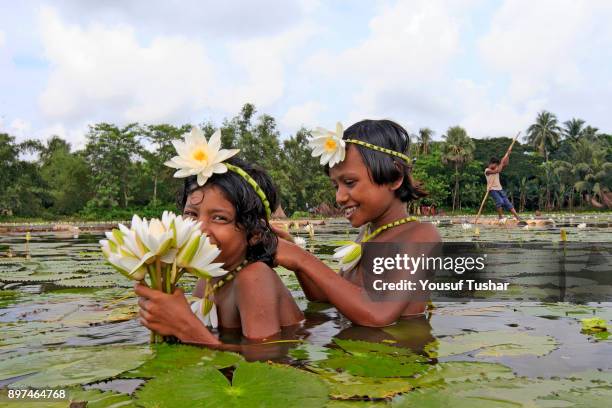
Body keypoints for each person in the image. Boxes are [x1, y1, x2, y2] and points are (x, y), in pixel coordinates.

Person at [135, 130, 303, 348]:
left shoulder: (253, 277)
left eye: (219, 218)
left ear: (254, 235)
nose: (199, 228)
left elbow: (266, 361)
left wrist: (185, 328)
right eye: (191, 214)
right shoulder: (206, 280)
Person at [274, 119, 441, 327]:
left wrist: (302, 260)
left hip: (397, 356)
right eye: (336, 185)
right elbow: (324, 297)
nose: (340, 197)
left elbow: (378, 313)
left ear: (394, 177)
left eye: (349, 183)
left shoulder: (420, 236)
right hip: (356, 353)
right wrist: (294, 253)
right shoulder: (367, 232)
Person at [485, 151, 523, 222]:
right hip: (492, 189)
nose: (496, 166)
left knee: (508, 203)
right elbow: (498, 170)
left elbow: (505, 164)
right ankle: (500, 217)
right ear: (491, 164)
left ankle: (517, 217)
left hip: (499, 189)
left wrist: (507, 155)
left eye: (497, 165)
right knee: (500, 201)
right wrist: (501, 162)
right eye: (495, 165)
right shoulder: (487, 170)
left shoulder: (496, 168)